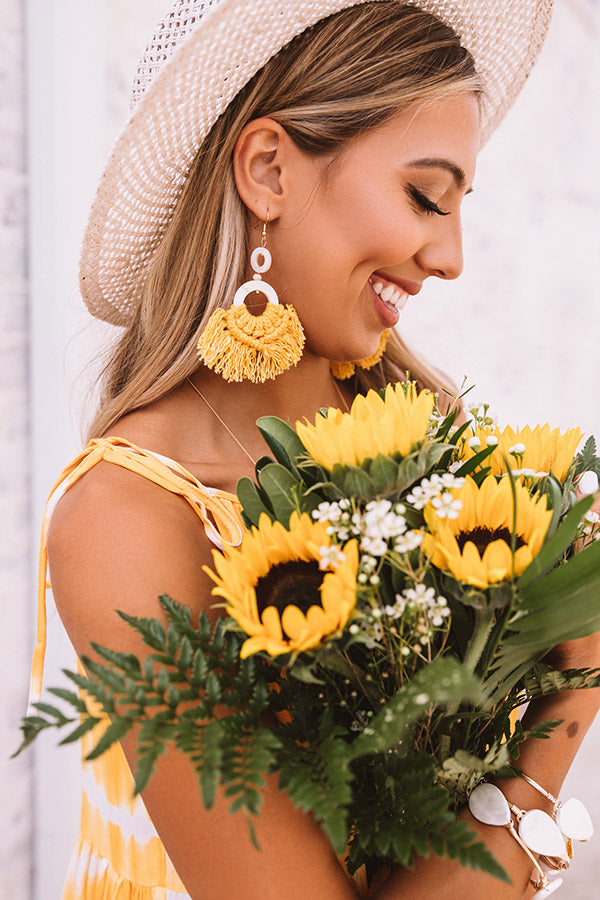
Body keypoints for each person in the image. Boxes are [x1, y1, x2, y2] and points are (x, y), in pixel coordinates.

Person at [29, 1, 600, 898]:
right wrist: (569, 703)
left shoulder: (434, 453)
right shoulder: (128, 518)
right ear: (267, 171)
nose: (449, 256)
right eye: (424, 195)